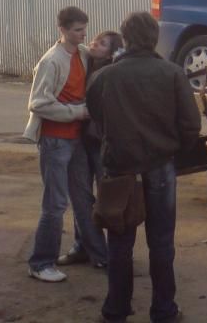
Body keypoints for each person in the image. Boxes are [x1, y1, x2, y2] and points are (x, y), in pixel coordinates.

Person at [87, 12, 201, 323]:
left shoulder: (104, 77)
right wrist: (172, 150)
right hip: (160, 168)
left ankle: (115, 310)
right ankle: (164, 311)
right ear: (154, 38)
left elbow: (97, 119)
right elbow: (191, 126)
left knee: (119, 243)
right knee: (161, 243)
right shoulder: (173, 74)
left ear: (125, 39)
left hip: (118, 170)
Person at [23, 6, 108, 282]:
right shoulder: (51, 61)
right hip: (56, 140)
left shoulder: (81, 53)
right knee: (55, 204)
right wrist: (77, 112)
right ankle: (40, 262)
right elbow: (38, 104)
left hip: (76, 139)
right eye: (77, 30)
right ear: (62, 30)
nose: (83, 34)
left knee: (82, 199)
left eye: (84, 29)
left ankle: (89, 250)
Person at [57, 30, 124, 268]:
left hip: (101, 143)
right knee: (81, 196)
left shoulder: (111, 73)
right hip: (81, 139)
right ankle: (82, 246)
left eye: (102, 43)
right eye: (95, 40)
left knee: (106, 200)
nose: (94, 44)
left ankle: (109, 254)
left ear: (111, 52)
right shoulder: (85, 63)